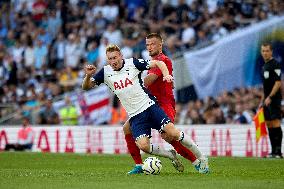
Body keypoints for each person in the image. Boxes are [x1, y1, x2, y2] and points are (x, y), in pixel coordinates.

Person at [82, 44, 209, 174]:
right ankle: (170, 155)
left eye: (115, 57)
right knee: (144, 146)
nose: (113, 61)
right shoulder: (105, 72)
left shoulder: (133, 63)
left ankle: (201, 158)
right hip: (136, 116)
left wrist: (166, 75)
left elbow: (159, 63)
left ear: (120, 55)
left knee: (173, 133)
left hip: (150, 107)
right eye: (110, 59)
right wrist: (87, 76)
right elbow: (85, 87)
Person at [123, 33, 205, 175]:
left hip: (163, 104)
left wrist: (131, 85)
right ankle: (138, 164)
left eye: (152, 44)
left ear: (160, 45)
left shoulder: (163, 60)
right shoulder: (152, 61)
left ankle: (198, 161)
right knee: (127, 128)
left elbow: (150, 80)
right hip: (148, 105)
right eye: (147, 45)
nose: (149, 47)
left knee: (169, 136)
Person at [260, 42, 283, 158]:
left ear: (271, 51)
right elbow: (265, 86)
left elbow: (278, 83)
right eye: (263, 51)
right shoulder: (264, 66)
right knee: (269, 124)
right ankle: (273, 151)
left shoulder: (276, 64)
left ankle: (278, 152)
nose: (265, 53)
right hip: (266, 100)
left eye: (267, 51)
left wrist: (270, 97)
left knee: (276, 123)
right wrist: (262, 100)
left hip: (274, 99)